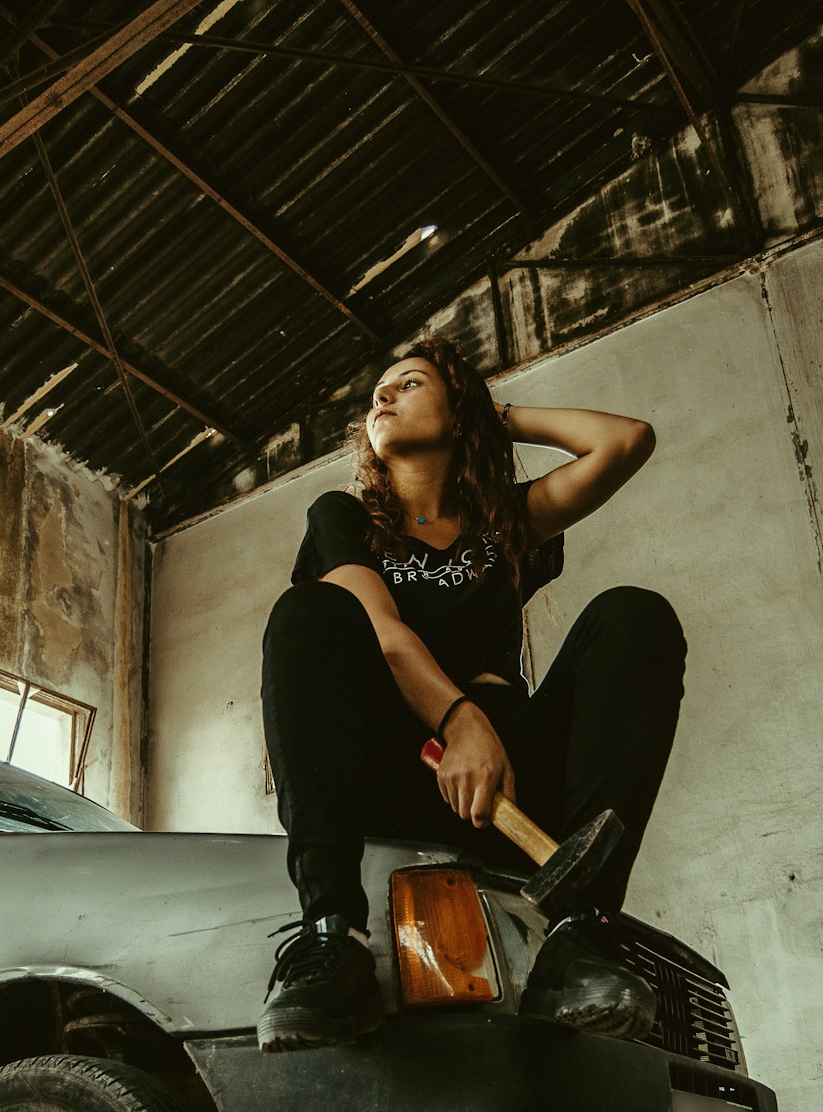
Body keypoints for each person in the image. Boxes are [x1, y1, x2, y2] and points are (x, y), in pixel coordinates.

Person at [258, 337, 686, 1054]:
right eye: (378, 393)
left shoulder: (505, 525)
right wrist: (463, 719)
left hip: (514, 781)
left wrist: (494, 416)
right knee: (307, 613)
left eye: (410, 383)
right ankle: (332, 941)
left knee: (634, 615)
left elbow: (625, 441)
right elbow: (385, 635)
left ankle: (580, 933)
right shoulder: (345, 519)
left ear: (458, 413)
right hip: (404, 765)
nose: (382, 398)